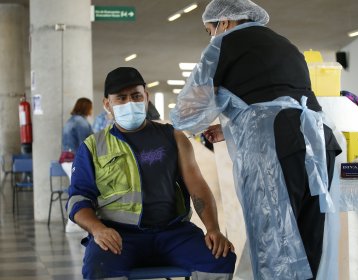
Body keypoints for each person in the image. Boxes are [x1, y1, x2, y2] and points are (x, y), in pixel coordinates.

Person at [170, 0, 342, 279]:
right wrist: (230, 127)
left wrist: (176, 123)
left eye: (209, 29)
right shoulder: (285, 45)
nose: (211, 36)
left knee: (274, 242)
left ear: (223, 22)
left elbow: (189, 110)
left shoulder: (224, 44)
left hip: (276, 148)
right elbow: (277, 98)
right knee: (309, 239)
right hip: (319, 145)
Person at [66, 67, 236, 279]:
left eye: (136, 96)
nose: (130, 102)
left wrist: (213, 229)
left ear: (146, 97)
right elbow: (78, 199)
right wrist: (97, 229)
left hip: (173, 232)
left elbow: (198, 187)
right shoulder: (92, 146)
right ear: (107, 104)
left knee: (220, 258)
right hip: (119, 236)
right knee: (98, 269)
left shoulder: (173, 136)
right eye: (121, 98)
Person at [61, 97, 93, 233]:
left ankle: (73, 223)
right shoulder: (81, 122)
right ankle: (74, 223)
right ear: (87, 107)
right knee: (80, 191)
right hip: (75, 160)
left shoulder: (70, 121)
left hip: (66, 159)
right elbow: (86, 144)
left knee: (76, 190)